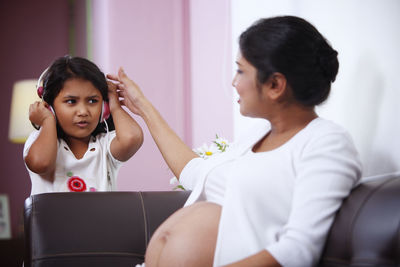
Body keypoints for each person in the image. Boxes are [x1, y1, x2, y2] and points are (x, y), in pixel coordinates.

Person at [108, 16, 362, 267]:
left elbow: (298, 250)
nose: (234, 82)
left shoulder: (327, 143)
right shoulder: (257, 134)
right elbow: (194, 173)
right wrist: (142, 106)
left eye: (241, 71)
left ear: (275, 85)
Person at [24, 56, 143, 195]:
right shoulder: (38, 141)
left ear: (104, 107)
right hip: (53, 218)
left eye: (92, 101)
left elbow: (132, 138)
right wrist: (47, 121)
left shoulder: (105, 145)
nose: (83, 111)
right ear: (50, 107)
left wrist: (115, 105)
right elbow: (41, 163)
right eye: (71, 101)